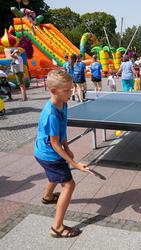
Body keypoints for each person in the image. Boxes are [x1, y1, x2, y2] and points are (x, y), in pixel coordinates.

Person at [34, 69, 94, 238]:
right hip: (50, 154)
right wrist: (75, 164)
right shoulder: (51, 114)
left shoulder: (64, 103)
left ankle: (47, 197)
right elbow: (54, 143)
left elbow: (62, 130)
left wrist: (67, 147)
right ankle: (57, 227)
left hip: (46, 152)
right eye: (67, 90)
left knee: (55, 175)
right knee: (69, 184)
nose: (71, 92)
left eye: (71, 88)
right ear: (54, 91)